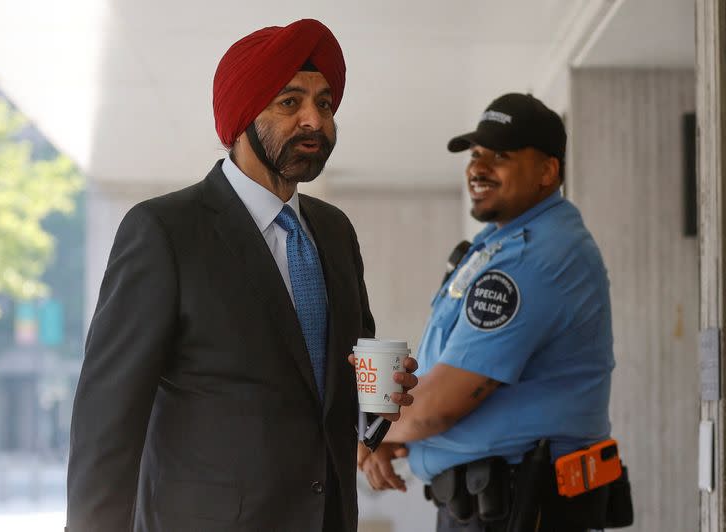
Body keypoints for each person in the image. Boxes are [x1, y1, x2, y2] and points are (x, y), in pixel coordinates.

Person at [65, 19, 417, 532]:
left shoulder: (335, 232)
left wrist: (375, 408)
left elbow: (342, 377)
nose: (314, 121)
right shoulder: (165, 231)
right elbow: (107, 420)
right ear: (242, 115)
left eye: (324, 104)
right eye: (289, 102)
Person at [357, 93, 615, 531]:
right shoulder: (500, 244)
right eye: (475, 155)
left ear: (547, 171)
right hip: (490, 504)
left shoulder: (537, 257)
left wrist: (368, 435)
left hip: (520, 507)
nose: (478, 168)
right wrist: (381, 432)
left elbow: (438, 405)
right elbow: (435, 379)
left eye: (501, 156)